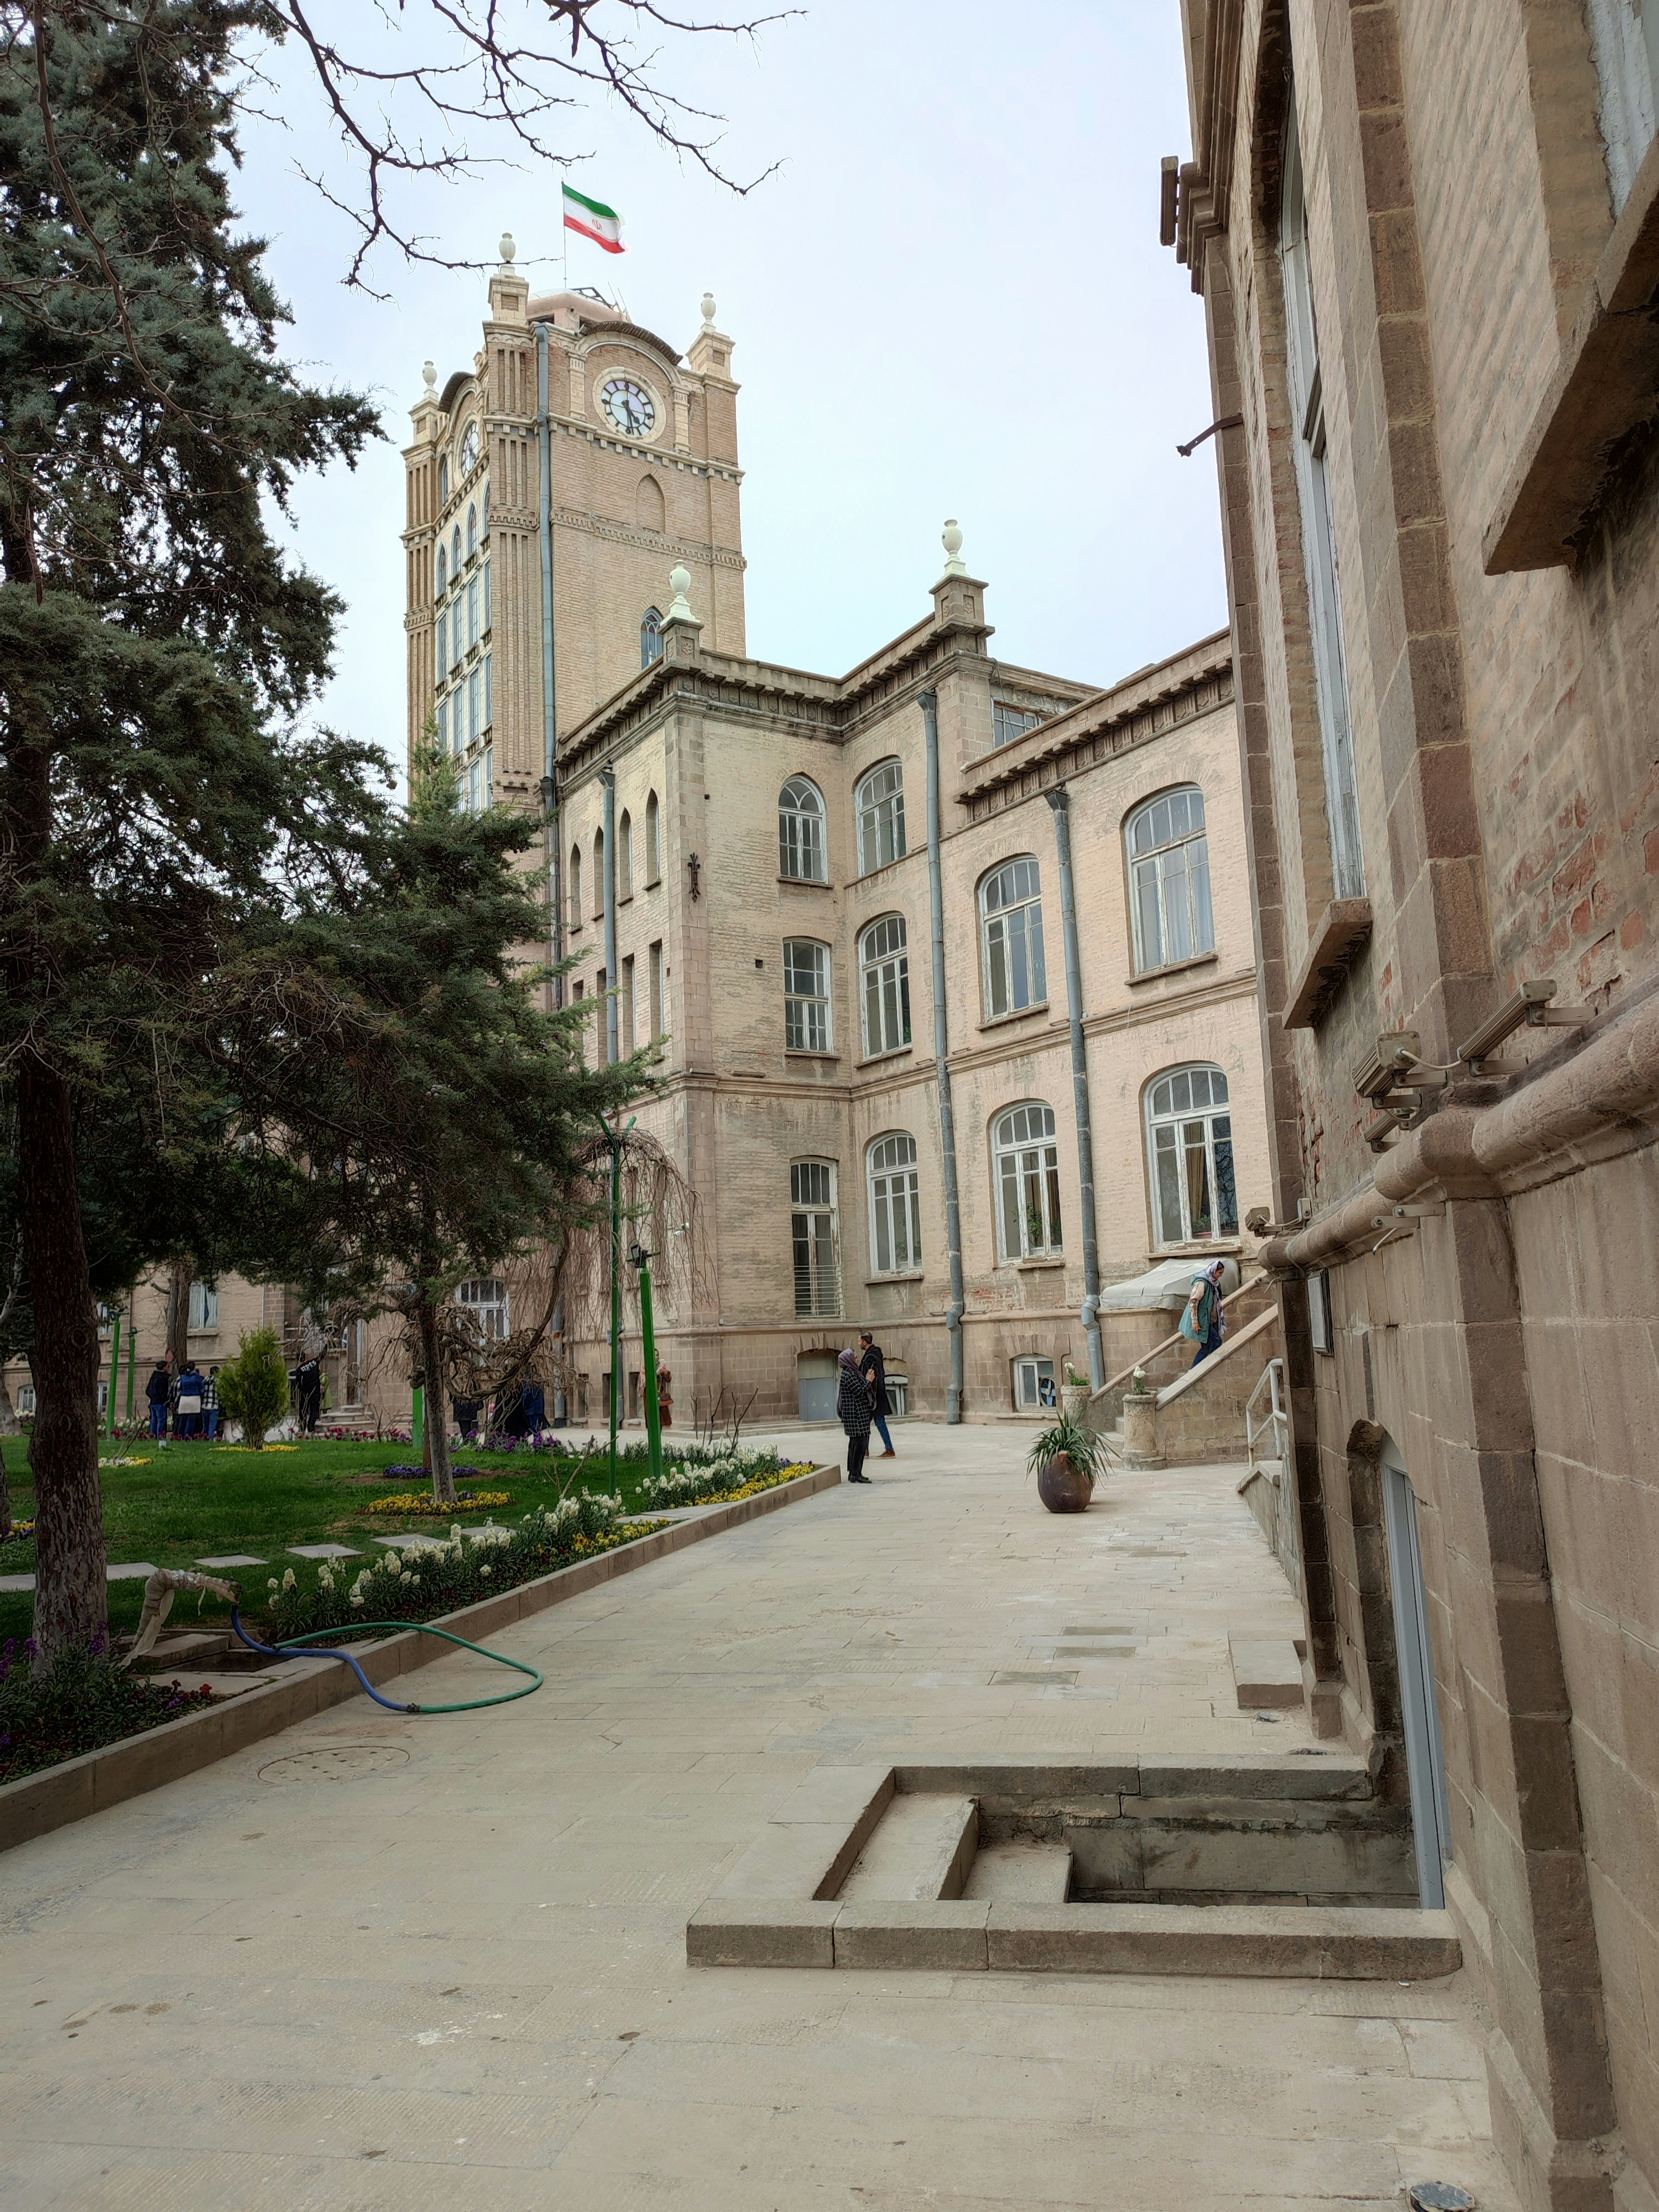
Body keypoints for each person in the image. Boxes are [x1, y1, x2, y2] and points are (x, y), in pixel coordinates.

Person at [836, 1347, 875, 1484]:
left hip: (854, 1415)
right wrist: (869, 1380)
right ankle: (856, 1473)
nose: (857, 1359)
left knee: (855, 1443)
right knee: (861, 1443)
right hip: (856, 1415)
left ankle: (853, 1472)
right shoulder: (850, 1374)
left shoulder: (850, 1373)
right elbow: (859, 1391)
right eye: (855, 1357)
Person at [1180, 1260, 1228, 1367]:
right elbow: (1194, 1302)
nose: (1221, 1275)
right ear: (1213, 1271)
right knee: (1216, 1341)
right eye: (1220, 1273)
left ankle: (1196, 1370)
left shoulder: (1214, 1283)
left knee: (1207, 1346)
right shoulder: (1202, 1283)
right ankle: (1205, 1366)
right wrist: (1195, 1321)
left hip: (1210, 1319)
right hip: (1202, 1320)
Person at [857, 1331, 896, 1459]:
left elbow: (869, 1376)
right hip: (874, 1395)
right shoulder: (873, 1354)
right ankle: (867, 1450)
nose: (859, 1344)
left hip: (873, 1396)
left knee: (875, 1422)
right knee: (870, 1422)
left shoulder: (871, 1356)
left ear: (864, 1341)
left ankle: (889, 1450)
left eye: (860, 1341)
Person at [174, 1360, 206, 1439]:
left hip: (184, 1399)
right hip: (194, 1399)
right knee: (191, 1420)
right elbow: (202, 1389)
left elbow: (181, 1388)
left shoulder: (183, 1377)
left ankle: (179, 1436)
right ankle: (187, 1436)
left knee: (183, 1419)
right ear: (194, 1368)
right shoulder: (197, 1377)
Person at [293, 1354, 322, 1435]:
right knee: (314, 1410)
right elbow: (323, 1354)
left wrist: (304, 1390)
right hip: (315, 1390)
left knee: (303, 1410)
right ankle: (311, 1427)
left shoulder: (299, 1370)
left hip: (306, 1393)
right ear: (306, 1357)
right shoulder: (314, 1362)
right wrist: (326, 1344)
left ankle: (302, 1428)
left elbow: (298, 1384)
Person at [145, 1357, 173, 1439]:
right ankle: (160, 1436)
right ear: (164, 1368)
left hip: (153, 1402)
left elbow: (148, 1391)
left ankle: (153, 1435)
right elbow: (163, 1392)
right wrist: (166, 1401)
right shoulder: (162, 1378)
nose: (169, 1368)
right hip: (160, 1403)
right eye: (168, 1367)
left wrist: (153, 1397)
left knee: (154, 1420)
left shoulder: (154, 1377)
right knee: (161, 1420)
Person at [202, 1366, 221, 1442]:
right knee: (212, 1425)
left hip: (204, 1406)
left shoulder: (205, 1380)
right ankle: (210, 1439)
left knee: (205, 1425)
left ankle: (203, 1438)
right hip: (214, 1406)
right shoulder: (219, 1382)